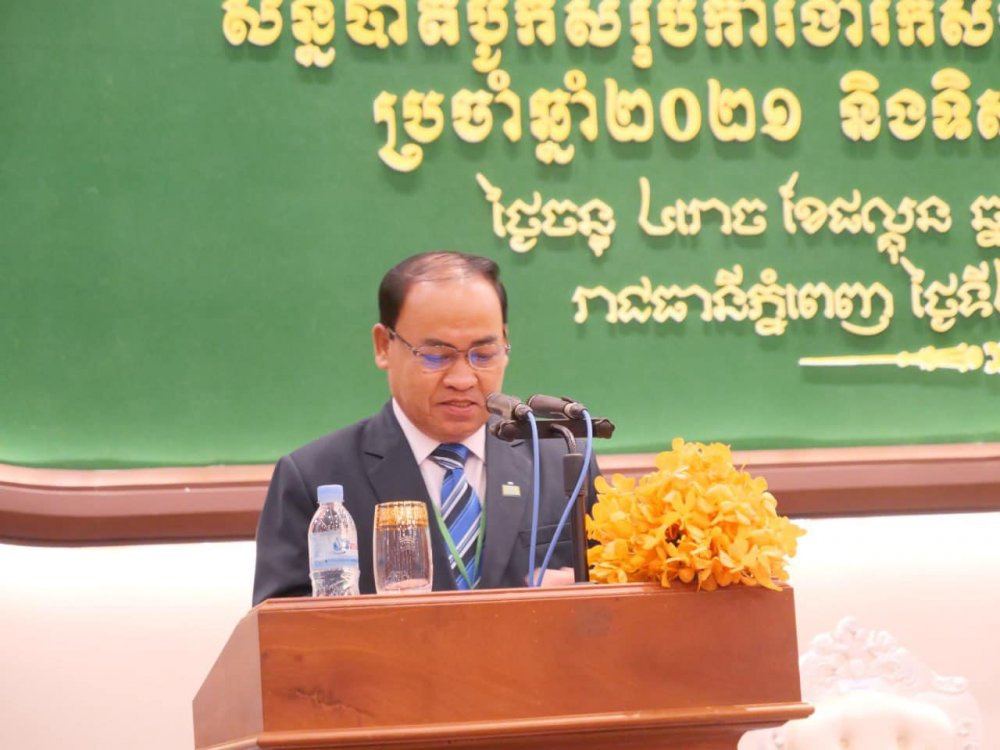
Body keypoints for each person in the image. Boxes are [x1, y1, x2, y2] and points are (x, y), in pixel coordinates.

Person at [252, 251, 597, 604]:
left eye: (483, 354)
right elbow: (280, 629)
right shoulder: (313, 478)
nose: (462, 379)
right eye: (437, 356)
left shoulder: (564, 459)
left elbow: (614, 601)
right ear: (383, 346)